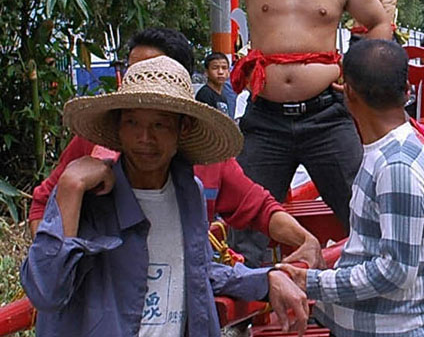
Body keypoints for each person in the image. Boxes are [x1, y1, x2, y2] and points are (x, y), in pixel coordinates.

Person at [126, 0, 392, 263]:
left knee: (361, 211)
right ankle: (248, 312)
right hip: (265, 118)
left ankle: (368, 304)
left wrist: (352, 75)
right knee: (245, 226)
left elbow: (380, 23)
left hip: (326, 117)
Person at [22, 56, 309, 337]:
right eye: (132, 123)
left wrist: (266, 278)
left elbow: (196, 271)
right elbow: (46, 292)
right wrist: (70, 185)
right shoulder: (90, 195)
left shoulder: (189, 191)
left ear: (182, 128)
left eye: (159, 124)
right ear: (119, 127)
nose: (144, 138)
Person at [28, 28, 323, 268]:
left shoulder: (210, 163)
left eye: (160, 124)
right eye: (136, 73)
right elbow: (43, 206)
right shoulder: (92, 148)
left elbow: (258, 206)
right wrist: (59, 267)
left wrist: (305, 240)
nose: (144, 137)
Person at [277, 40, 424, 337]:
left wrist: (310, 281)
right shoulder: (384, 151)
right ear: (407, 89)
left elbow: (396, 271)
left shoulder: (396, 166)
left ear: (348, 92)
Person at [196, 51, 233, 116]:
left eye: (224, 68)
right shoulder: (205, 94)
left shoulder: (223, 96)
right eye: (215, 68)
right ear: (206, 72)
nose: (220, 72)